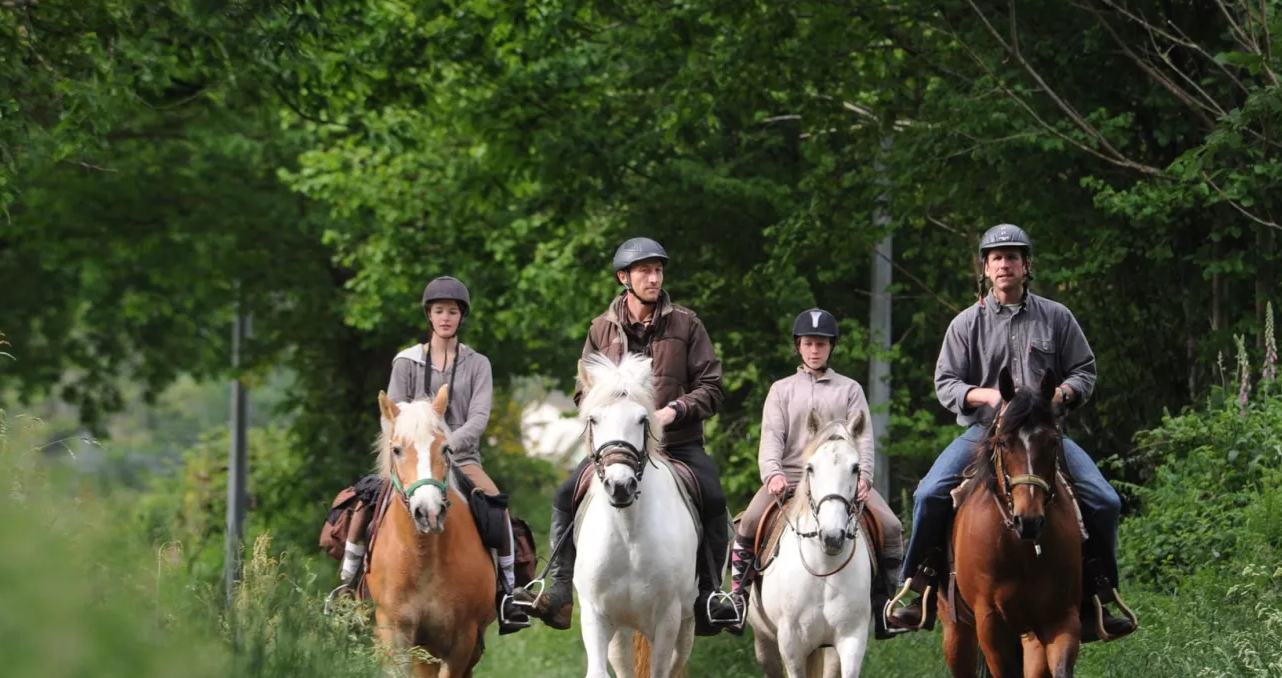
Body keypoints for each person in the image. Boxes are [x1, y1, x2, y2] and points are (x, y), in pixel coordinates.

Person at [888, 224, 1138, 641]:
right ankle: (918, 586)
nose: (1005, 264)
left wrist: (1062, 392)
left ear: (1027, 266)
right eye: (997, 258)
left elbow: (1085, 370)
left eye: (1013, 257)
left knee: (1106, 501)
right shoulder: (966, 324)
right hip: (987, 435)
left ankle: (1101, 591)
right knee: (929, 493)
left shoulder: (1057, 317)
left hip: (1042, 435)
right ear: (985, 269)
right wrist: (984, 396)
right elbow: (945, 382)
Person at [517, 237, 732, 634]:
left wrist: (674, 410)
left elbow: (712, 385)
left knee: (713, 495)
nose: (654, 278)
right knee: (566, 493)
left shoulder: (687, 323)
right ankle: (561, 590)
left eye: (658, 270)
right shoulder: (600, 329)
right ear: (624, 278)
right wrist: (604, 411)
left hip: (677, 443)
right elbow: (584, 390)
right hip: (618, 446)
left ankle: (710, 595)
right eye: (644, 271)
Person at [335, 275, 533, 628]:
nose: (445, 318)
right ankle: (346, 587)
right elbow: (390, 415)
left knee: (495, 507)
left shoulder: (478, 365)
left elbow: (479, 417)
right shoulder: (405, 363)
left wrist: (446, 445)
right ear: (429, 315)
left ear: (461, 317)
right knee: (363, 505)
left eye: (452, 312)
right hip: (409, 460)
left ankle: (509, 592)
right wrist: (407, 449)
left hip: (460, 458)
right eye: (439, 311)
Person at [707, 307, 905, 637]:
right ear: (798, 345)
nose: (815, 350)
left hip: (840, 482)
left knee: (891, 526)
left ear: (831, 347)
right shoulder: (782, 390)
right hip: (791, 478)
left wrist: (865, 477)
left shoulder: (849, 390)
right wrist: (771, 474)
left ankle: (887, 605)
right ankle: (737, 600)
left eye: (822, 344)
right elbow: (770, 436)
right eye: (809, 343)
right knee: (751, 521)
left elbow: (864, 438)